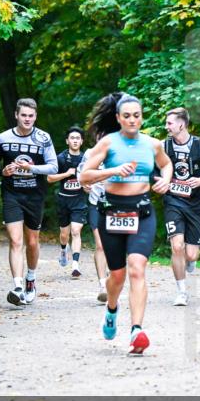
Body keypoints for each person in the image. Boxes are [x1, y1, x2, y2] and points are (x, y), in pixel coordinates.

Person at [79, 93, 173, 354]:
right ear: (119, 118)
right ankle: (111, 309)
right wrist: (112, 171)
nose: (133, 120)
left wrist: (165, 179)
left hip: (142, 213)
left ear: (142, 117)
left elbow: (166, 165)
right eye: (127, 116)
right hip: (111, 213)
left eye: (137, 115)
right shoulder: (108, 144)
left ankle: (137, 331)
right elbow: (85, 175)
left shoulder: (153, 144)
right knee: (117, 276)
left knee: (136, 269)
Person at [0, 98, 58, 306]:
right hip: (12, 194)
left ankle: (30, 279)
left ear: (35, 117)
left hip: (35, 196)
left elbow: (53, 167)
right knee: (15, 240)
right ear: (16, 115)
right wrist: (2, 170)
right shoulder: (3, 138)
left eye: (31, 116)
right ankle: (17, 286)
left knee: (32, 242)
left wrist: (31, 169)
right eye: (24, 115)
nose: (27, 119)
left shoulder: (43, 138)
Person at [160, 107, 200, 306]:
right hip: (173, 201)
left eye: (169, 123)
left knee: (191, 254)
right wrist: (161, 182)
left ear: (182, 124)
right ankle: (181, 292)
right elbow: (153, 170)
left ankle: (191, 259)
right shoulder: (163, 146)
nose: (166, 127)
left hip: (195, 203)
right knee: (176, 246)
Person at [47, 126, 88, 278]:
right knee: (64, 234)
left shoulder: (86, 159)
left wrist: (88, 184)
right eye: (72, 138)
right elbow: (49, 178)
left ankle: (75, 265)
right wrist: (67, 173)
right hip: (63, 199)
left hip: (79, 200)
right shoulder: (60, 158)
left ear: (82, 141)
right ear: (67, 141)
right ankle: (64, 250)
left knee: (76, 231)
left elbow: (92, 177)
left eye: (78, 138)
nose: (75, 140)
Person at [77, 128, 110, 304]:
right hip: (96, 204)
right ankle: (102, 286)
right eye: (100, 134)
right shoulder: (90, 153)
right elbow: (81, 174)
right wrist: (84, 185)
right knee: (100, 245)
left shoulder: (121, 153)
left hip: (118, 206)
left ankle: (113, 278)